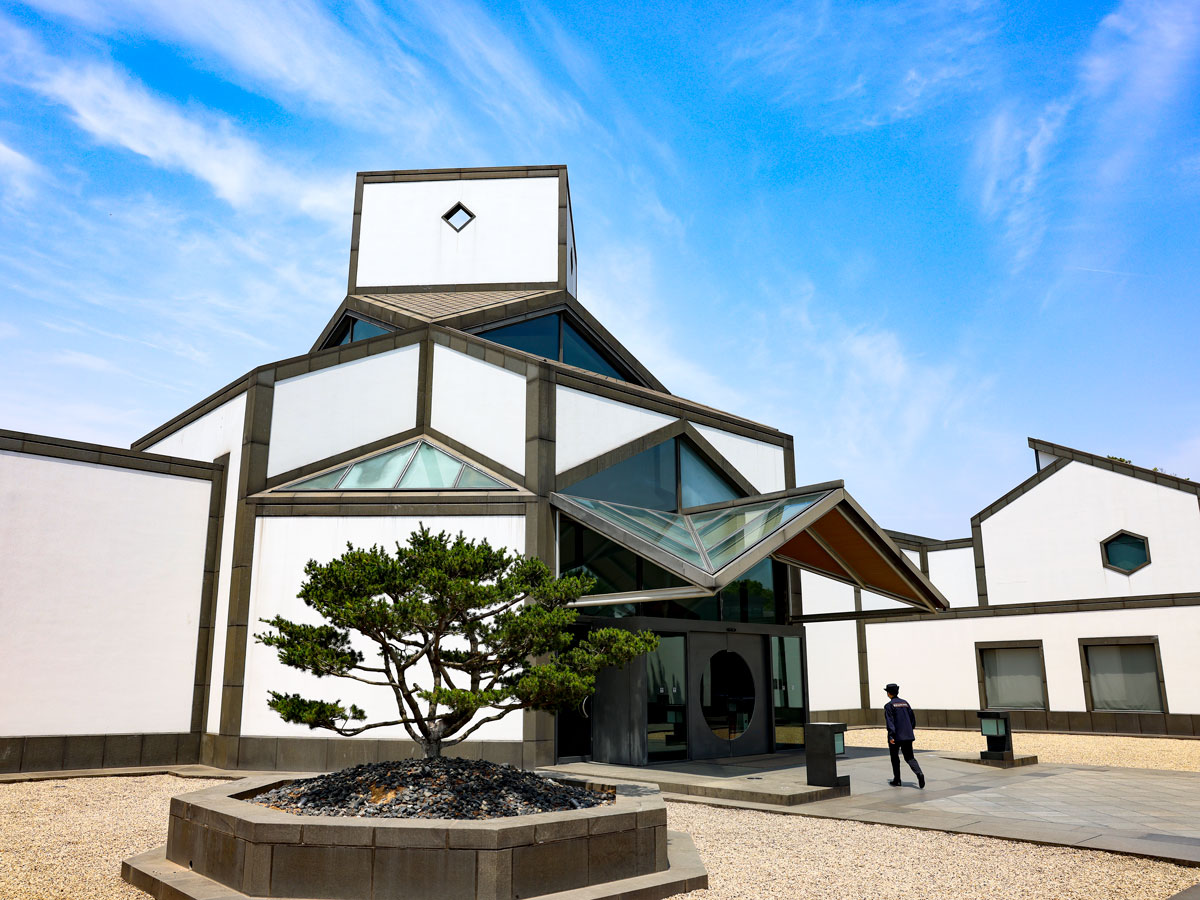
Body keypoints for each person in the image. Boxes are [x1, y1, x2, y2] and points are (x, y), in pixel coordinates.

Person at [883, 683, 925, 788]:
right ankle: (919, 773)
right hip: (907, 735)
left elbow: (890, 722)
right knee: (910, 757)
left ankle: (897, 780)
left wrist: (891, 736)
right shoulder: (905, 703)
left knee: (894, 757)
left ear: (889, 693)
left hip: (896, 736)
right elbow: (912, 718)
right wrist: (910, 730)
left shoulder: (889, 706)